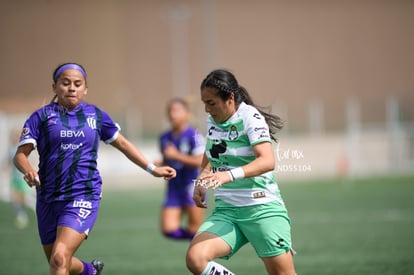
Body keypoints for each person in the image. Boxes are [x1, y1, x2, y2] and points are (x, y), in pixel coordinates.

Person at [13, 62, 176, 275]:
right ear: (54, 87)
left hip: (83, 194)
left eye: (77, 84)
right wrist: (28, 170)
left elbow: (124, 144)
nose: (72, 88)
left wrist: (153, 168)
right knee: (59, 261)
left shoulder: (95, 116)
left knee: (60, 257)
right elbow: (20, 155)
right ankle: (89, 271)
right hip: (47, 197)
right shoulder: (41, 117)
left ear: (85, 89)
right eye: (65, 83)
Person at [185, 69, 296, 275]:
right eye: (204, 103)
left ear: (230, 98)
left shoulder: (250, 118)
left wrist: (228, 175)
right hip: (227, 211)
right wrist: (201, 179)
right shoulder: (213, 120)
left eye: (211, 103)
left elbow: (267, 161)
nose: (207, 110)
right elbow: (212, 151)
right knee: (195, 258)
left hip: (261, 208)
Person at [157, 98, 205, 240]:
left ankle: (202, 251)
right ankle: (197, 242)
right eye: (170, 111)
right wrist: (162, 163)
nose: (173, 114)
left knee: (194, 228)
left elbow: (200, 161)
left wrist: (176, 155)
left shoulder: (193, 135)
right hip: (174, 186)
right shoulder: (164, 137)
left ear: (186, 113)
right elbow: (169, 160)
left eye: (177, 110)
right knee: (168, 229)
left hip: (192, 185)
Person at [7, 129, 35, 229]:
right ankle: (21, 217)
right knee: (15, 198)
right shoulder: (11, 149)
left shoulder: (22, 149)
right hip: (15, 178)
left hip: (22, 177)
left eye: (15, 136)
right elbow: (8, 162)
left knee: (22, 197)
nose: (13, 138)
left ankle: (34, 206)